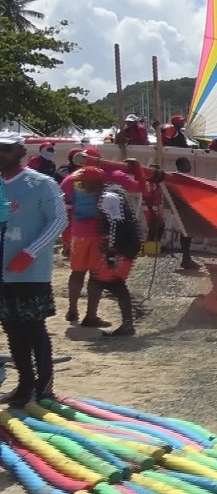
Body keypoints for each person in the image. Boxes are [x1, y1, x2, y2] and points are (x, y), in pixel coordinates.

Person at [0, 133, 68, 405]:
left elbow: (58, 221)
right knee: (11, 329)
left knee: (33, 328)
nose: (0, 154)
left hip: (29, 271)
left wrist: (29, 252)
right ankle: (24, 384)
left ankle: (44, 387)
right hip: (3, 272)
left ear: (20, 151)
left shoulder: (41, 183)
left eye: (6, 149)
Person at [62, 162, 138, 325]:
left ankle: (72, 310)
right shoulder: (108, 187)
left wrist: (66, 239)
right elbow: (137, 188)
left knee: (77, 272)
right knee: (95, 276)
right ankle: (91, 316)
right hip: (99, 234)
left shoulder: (69, 180)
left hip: (78, 233)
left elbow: (65, 209)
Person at [87, 185, 145, 337]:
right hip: (126, 243)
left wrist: (111, 252)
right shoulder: (112, 195)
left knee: (112, 282)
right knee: (102, 280)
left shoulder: (106, 199)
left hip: (122, 245)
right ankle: (128, 321)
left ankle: (128, 323)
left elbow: (114, 225)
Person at [173, 157, 199, 270]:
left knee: (188, 234)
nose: (189, 165)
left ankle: (187, 258)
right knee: (186, 234)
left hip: (187, 209)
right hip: (183, 209)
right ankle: (186, 259)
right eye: (186, 163)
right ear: (180, 166)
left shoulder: (184, 178)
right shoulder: (178, 178)